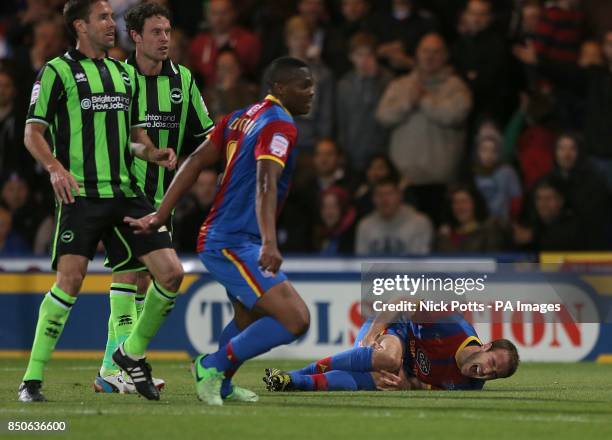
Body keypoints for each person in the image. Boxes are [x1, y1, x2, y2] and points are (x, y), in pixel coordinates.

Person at [18, 0, 183, 403]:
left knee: (172, 272)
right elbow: (32, 133)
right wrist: (56, 168)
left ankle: (129, 355)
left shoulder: (122, 73)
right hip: (83, 195)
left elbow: (133, 137)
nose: (113, 24)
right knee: (70, 281)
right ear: (80, 25)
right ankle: (32, 379)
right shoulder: (57, 72)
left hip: (126, 193)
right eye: (104, 18)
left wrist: (152, 153)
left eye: (113, 17)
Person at [125, 56, 314, 406]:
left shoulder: (243, 117)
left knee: (248, 317)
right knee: (296, 319)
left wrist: (158, 214)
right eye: (304, 85)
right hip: (233, 240)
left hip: (226, 235)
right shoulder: (279, 125)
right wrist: (269, 242)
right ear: (280, 88)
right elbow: (265, 180)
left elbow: (195, 160)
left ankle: (222, 384)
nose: (311, 92)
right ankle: (210, 366)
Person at [93, 2, 215, 395]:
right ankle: (120, 365)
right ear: (136, 37)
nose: (165, 39)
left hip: (165, 199)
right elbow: (111, 138)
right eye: (157, 32)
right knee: (129, 273)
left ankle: (114, 364)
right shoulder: (118, 78)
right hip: (124, 194)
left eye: (168, 31)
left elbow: (206, 137)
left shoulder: (183, 81)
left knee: (145, 281)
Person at [264, 308, 519, 392]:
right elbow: (402, 301)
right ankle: (299, 372)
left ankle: (290, 381)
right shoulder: (451, 324)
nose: (486, 372)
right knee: (388, 358)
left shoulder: (469, 385)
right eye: (492, 362)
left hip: (405, 367)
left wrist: (407, 383)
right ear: (485, 346)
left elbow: (425, 385)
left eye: (494, 374)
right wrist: (376, 330)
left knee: (382, 380)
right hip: (395, 329)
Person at [376, 33, 472, 224]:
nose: (430, 56)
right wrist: (407, 103)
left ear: (445, 56)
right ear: (417, 54)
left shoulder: (457, 87)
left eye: (436, 52)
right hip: (404, 183)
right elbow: (383, 116)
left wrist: (424, 100)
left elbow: (454, 115)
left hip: (441, 184)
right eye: (425, 51)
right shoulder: (400, 85)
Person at [336, 32, 392, 173]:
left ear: (376, 56)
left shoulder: (388, 81)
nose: (364, 60)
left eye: (369, 55)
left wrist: (374, 79)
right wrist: (342, 151)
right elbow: (341, 121)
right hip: (353, 151)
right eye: (359, 55)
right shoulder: (344, 84)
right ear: (351, 57)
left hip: (382, 151)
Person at [189, 0, 261, 87]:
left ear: (234, 13)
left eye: (224, 13)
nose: (219, 18)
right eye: (214, 13)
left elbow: (255, 75)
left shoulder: (248, 41)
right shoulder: (198, 43)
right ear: (207, 15)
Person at [355, 177, 432, 256]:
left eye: (389, 194)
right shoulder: (365, 225)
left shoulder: (420, 223)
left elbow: (420, 262)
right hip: (373, 268)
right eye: (379, 195)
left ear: (400, 196)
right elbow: (361, 262)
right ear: (373, 199)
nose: (384, 200)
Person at [436, 183, 508, 253]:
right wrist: (445, 239)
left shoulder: (489, 229)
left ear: (476, 204)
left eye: (465, 202)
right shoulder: (445, 233)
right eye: (455, 202)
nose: (460, 207)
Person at [312, 185, 356, 255]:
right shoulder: (316, 235)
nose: (329, 212)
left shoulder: (353, 235)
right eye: (324, 207)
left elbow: (366, 264)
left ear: (342, 208)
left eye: (333, 206)